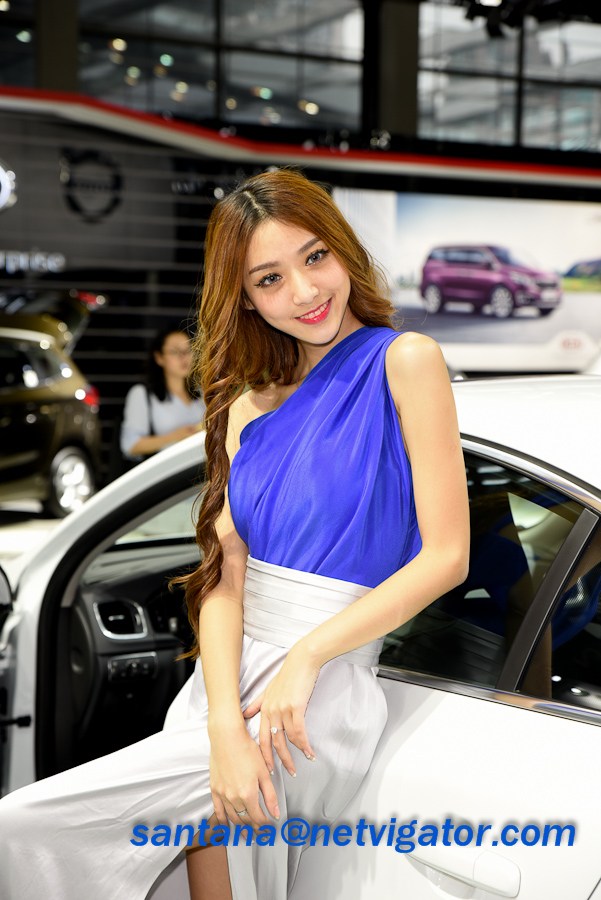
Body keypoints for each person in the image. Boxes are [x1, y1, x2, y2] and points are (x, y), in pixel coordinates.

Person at [0, 168, 470, 900]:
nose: (305, 292)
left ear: (343, 249)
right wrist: (221, 722)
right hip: (220, 690)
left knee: (22, 829)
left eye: (315, 257)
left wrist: (307, 656)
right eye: (270, 278)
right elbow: (223, 576)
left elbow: (446, 556)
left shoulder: (404, 361)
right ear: (245, 297)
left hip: (315, 694)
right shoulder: (243, 404)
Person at [120, 328, 206, 460]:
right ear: (159, 357)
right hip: (169, 470)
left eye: (188, 350)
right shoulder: (142, 394)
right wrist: (174, 437)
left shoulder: (202, 392)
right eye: (175, 351)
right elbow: (129, 445)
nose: (184, 357)